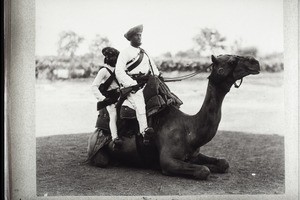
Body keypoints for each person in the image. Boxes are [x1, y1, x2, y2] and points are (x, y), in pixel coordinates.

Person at [115, 24, 160, 144]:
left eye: (140, 35)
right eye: (137, 36)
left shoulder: (144, 52)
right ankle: (145, 131)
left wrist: (157, 75)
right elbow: (118, 71)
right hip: (132, 85)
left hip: (146, 82)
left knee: (165, 93)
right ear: (131, 38)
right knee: (139, 99)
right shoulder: (124, 53)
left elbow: (153, 67)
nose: (140, 38)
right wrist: (132, 84)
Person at [91, 47, 122, 145]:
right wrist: (103, 99)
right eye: (114, 57)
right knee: (114, 115)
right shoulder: (103, 71)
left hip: (121, 95)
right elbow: (94, 87)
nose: (115, 59)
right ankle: (115, 138)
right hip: (110, 98)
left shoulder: (119, 69)